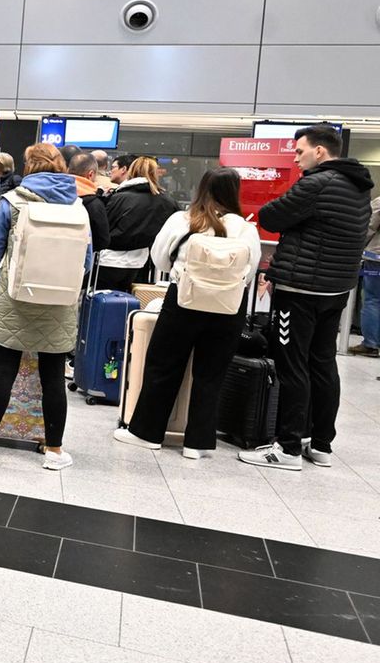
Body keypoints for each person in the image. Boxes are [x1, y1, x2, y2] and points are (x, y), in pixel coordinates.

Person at [238, 126, 374, 471]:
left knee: (291, 365)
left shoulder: (316, 183)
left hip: (300, 290)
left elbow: (270, 216)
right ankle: (321, 442)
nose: (296, 158)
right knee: (323, 364)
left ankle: (287, 448)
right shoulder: (358, 187)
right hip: (335, 289)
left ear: (320, 152)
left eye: (300, 151)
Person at [114, 168, 261, 458]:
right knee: (212, 374)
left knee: (163, 366)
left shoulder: (183, 220)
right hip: (229, 306)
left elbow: (160, 258)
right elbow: (250, 270)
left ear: (201, 188)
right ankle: (198, 443)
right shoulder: (245, 228)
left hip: (184, 300)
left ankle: (147, 433)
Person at [0, 143, 92, 471]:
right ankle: (54, 450)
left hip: (16, 298)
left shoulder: (12, 202)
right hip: (59, 301)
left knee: (4, 371)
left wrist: (7, 279)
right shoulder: (78, 206)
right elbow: (87, 260)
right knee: (53, 376)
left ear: (29, 166)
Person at [96, 156, 178, 291]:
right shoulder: (166, 200)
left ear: (131, 170)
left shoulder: (119, 197)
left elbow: (104, 227)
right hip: (140, 262)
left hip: (109, 260)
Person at [68, 152, 112, 254]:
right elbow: (103, 241)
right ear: (91, 174)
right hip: (80, 260)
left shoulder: (53, 195)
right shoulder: (94, 204)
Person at [354, 195, 380, 357]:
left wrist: (357, 246)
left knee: (373, 299)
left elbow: (369, 226)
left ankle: (371, 343)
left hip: (377, 257)